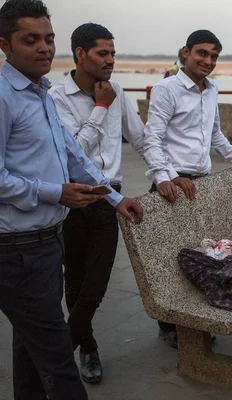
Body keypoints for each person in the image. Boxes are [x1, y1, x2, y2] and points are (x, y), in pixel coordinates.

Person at [0, 1, 143, 399]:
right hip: (17, 251)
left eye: (48, 39)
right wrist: (54, 192)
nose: (44, 48)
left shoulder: (39, 94)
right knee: (59, 365)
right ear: (4, 45)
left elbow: (73, 155)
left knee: (29, 353)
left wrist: (113, 197)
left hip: (48, 239)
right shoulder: (5, 98)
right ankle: (86, 351)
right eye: (30, 40)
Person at [144, 29, 232, 348]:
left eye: (214, 56)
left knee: (200, 253)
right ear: (185, 53)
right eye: (202, 53)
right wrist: (166, 176)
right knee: (168, 259)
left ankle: (193, 318)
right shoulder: (166, 89)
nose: (208, 61)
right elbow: (152, 138)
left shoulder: (211, 90)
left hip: (200, 185)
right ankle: (169, 327)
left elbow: (214, 135)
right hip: (170, 186)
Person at [48, 23, 146, 384]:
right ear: (79, 54)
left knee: (96, 285)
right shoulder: (57, 98)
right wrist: (101, 108)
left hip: (110, 200)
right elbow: (71, 152)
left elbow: (141, 139)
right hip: (73, 201)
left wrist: (164, 174)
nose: (111, 60)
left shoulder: (117, 91)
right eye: (103, 53)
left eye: (113, 53)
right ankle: (87, 347)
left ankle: (58, 356)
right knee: (74, 281)